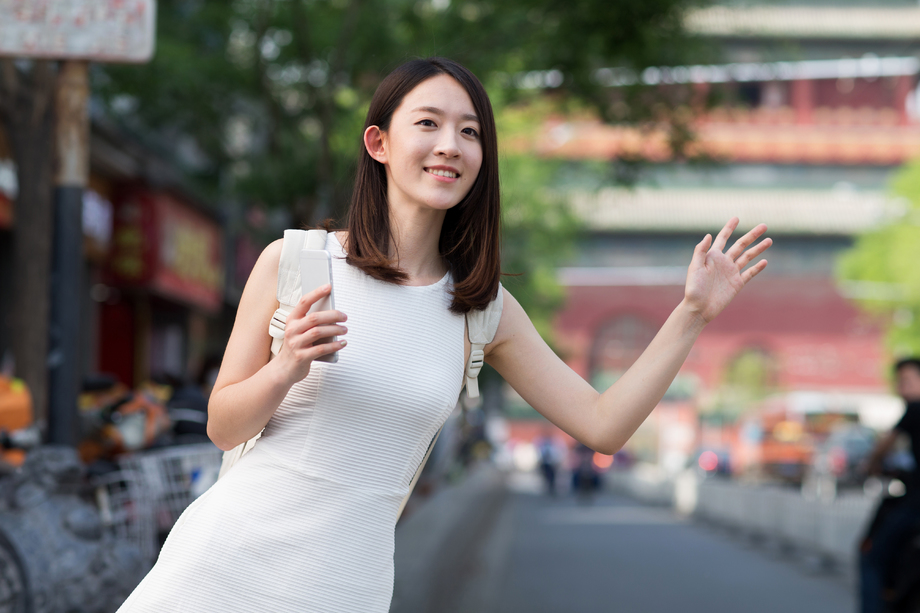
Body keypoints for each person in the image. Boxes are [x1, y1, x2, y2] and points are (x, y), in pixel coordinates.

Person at [115, 57, 771, 613]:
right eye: (427, 124)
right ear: (379, 144)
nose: (449, 145)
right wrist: (285, 366)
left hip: (346, 587)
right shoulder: (296, 261)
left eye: (469, 132)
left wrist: (691, 313)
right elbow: (223, 425)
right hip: (218, 571)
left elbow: (603, 425)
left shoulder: (481, 308)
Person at [860, 357, 920, 613]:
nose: (902, 388)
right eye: (899, 382)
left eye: (908, 381)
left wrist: (870, 465)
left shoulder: (915, 409)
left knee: (872, 559)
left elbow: (883, 446)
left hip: (916, 506)